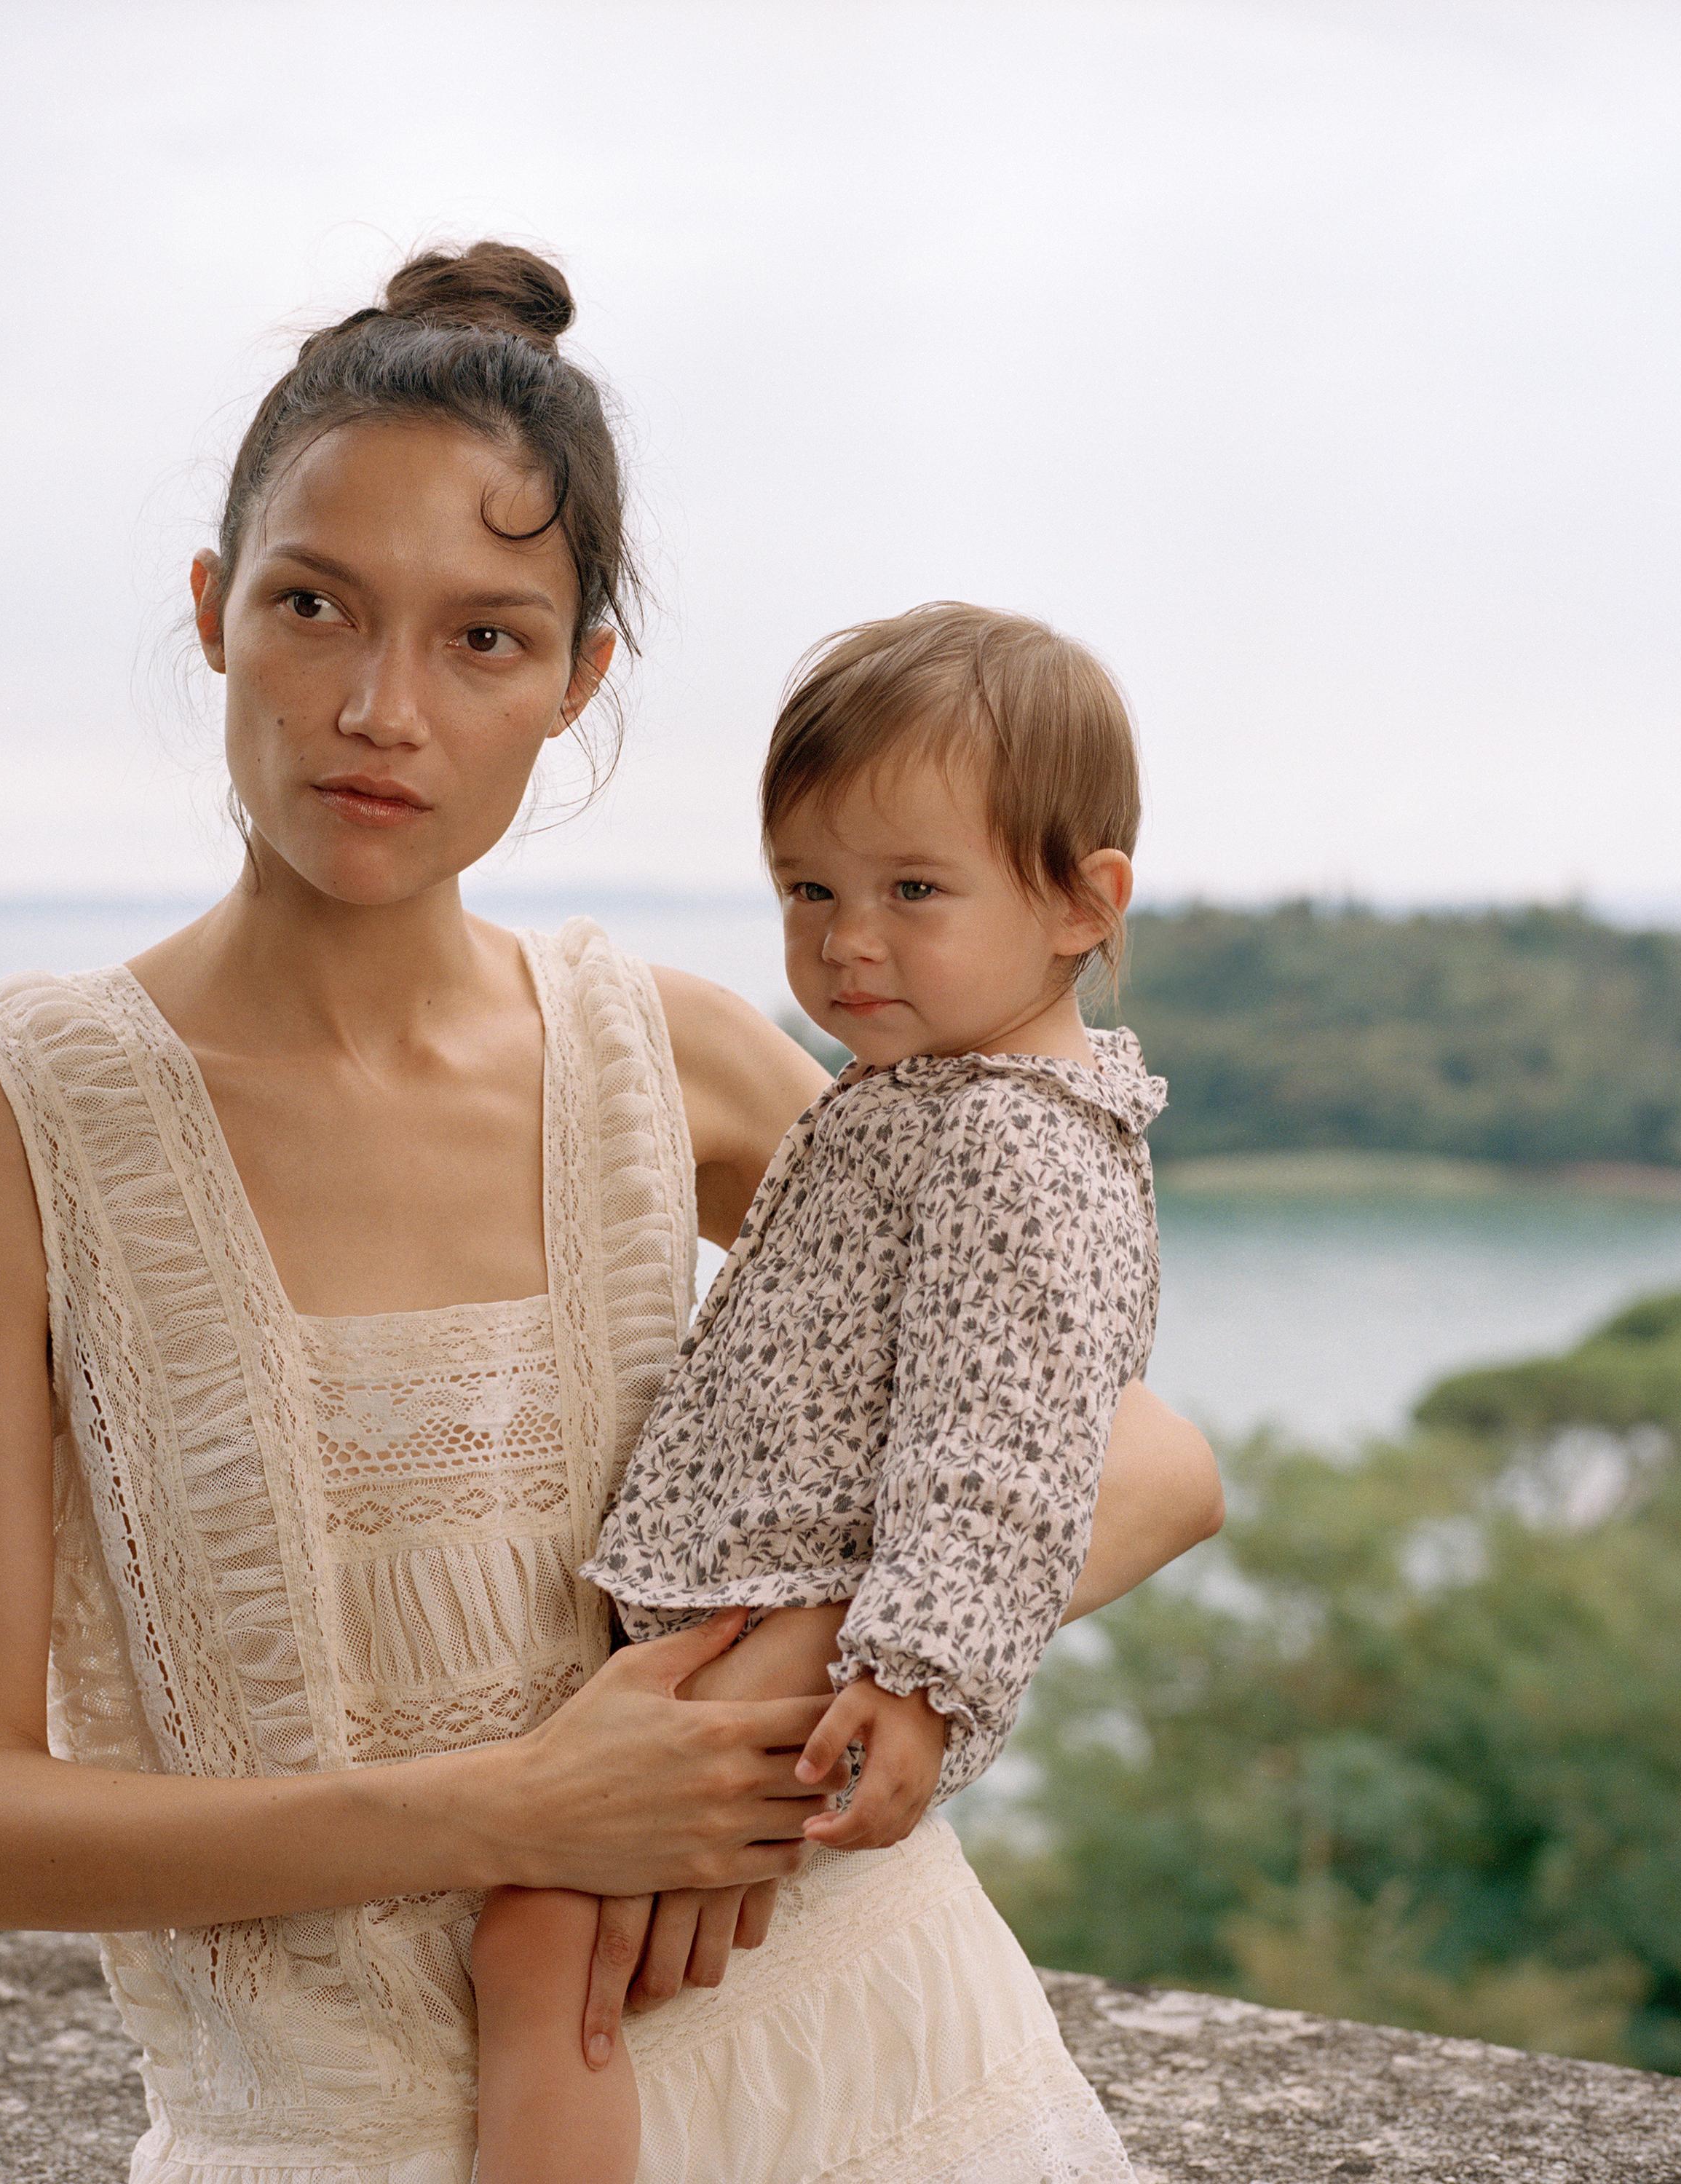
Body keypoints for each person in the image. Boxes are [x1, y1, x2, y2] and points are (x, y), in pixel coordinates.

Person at [0, 240, 1224, 2183]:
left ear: (582, 679)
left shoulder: (666, 1058)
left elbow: (1157, 1454)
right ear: (212, 614)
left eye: (485, 638)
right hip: (330, 2134)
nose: (382, 710)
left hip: (881, 2073)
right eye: (317, 607)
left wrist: (796, 1679)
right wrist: (527, 1811)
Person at [467, 604, 1164, 2180]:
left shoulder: (1011, 1143)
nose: (848, 940)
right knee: (582, 1955)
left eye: (913, 891)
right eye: (809, 890)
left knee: (535, 1941)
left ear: (1078, 899)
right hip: (764, 1601)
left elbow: (1006, 1449)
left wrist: (918, 1679)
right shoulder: (922, 1099)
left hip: (810, 1622)